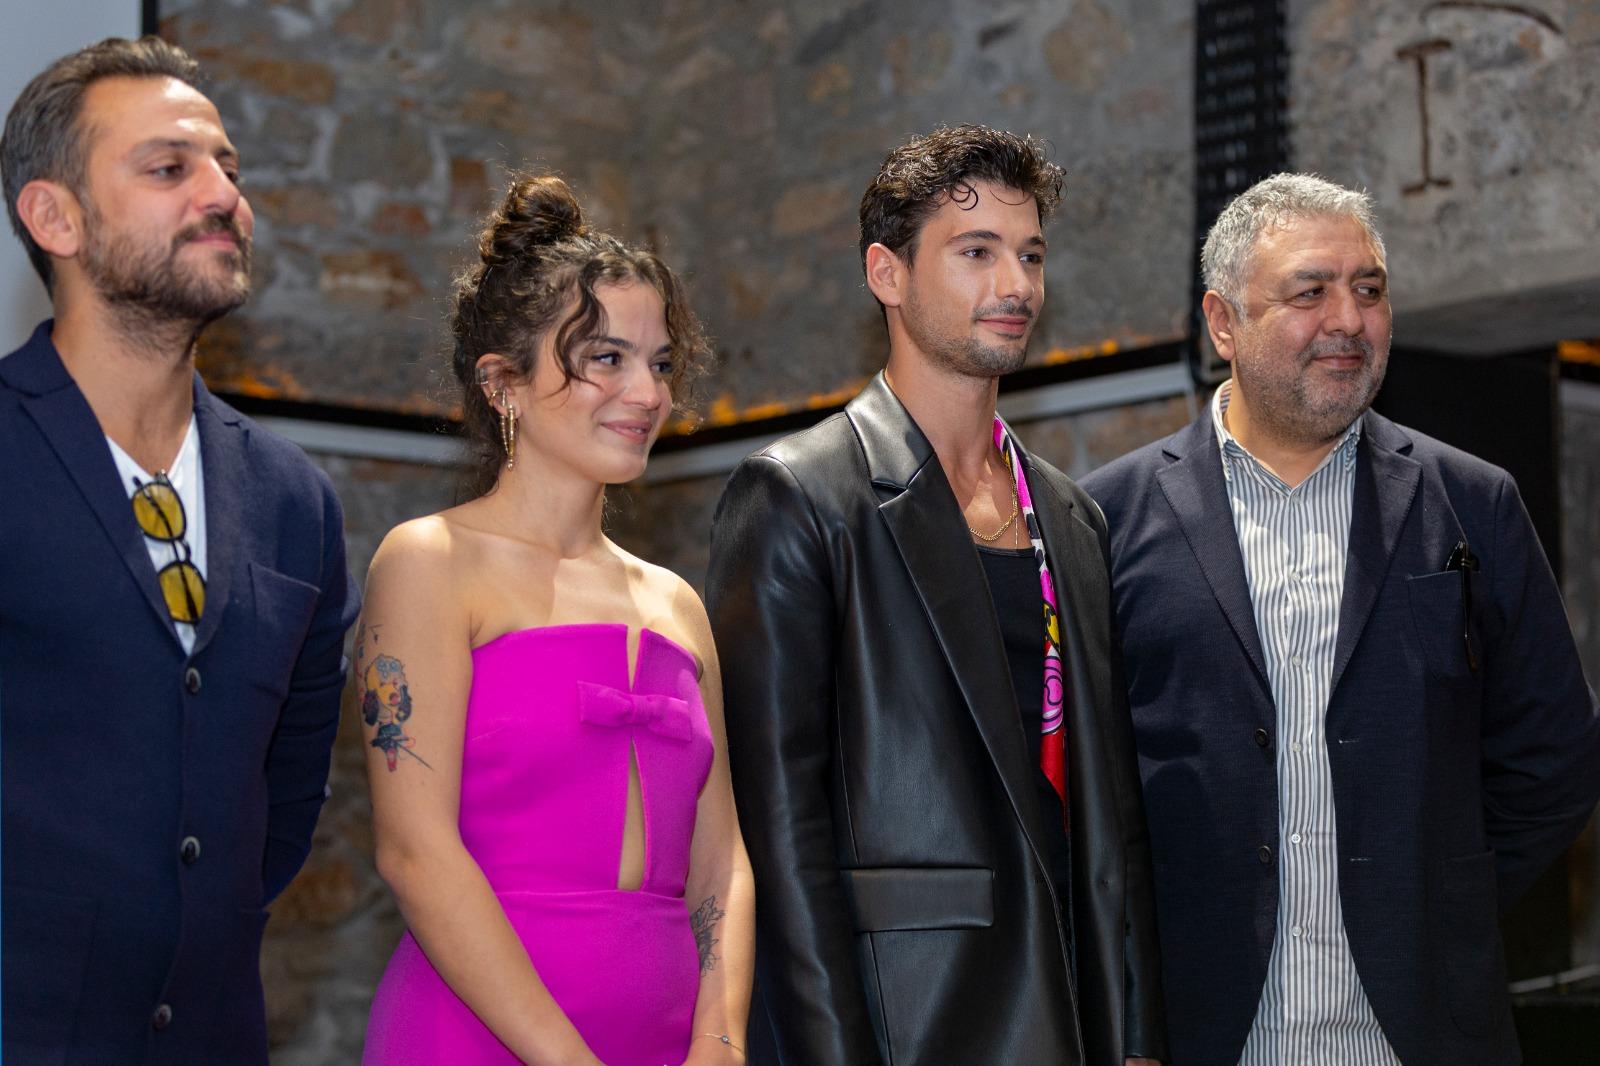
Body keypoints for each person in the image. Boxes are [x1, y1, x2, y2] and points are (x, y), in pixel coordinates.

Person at [1080, 173, 1600, 1065]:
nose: (1349, 320)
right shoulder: (1105, 519)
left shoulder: (1472, 502)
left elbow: (1555, 756)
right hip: (1201, 1033)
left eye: (1369, 290)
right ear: (1223, 323)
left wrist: (1441, 899)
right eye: (1310, 292)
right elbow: (1084, 794)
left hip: (1421, 1033)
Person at [706, 124, 1166, 1065]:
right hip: (913, 1016)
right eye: (977, 252)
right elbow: (779, 834)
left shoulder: (1072, 516)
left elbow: (1114, 812)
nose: (1016, 285)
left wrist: (1139, 1035)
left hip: (1079, 1015)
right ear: (887, 273)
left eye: (1030, 254)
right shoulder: (798, 495)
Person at [0, 36, 360, 1063]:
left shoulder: (295, 501)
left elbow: (284, 799)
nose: (224, 197)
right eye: (169, 169)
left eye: (228, 169)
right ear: (55, 218)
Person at [359, 172, 753, 1066]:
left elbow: (721, 859)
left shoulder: (676, 605)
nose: (647, 393)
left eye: (660, 363)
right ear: (503, 383)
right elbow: (415, 853)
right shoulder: (428, 563)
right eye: (606, 358)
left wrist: (721, 1041)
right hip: (474, 1039)